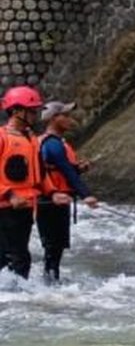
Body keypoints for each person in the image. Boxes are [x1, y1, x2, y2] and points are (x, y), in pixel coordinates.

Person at [0, 86, 71, 279]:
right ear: (16, 111)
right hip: (5, 208)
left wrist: (53, 193)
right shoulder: (2, 137)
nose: (35, 115)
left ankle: (14, 291)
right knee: (15, 259)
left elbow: (39, 173)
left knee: (17, 257)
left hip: (24, 208)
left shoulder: (31, 139)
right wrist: (10, 195)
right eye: (31, 111)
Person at [36, 101, 99, 282]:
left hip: (54, 199)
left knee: (54, 247)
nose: (70, 120)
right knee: (54, 246)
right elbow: (66, 172)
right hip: (52, 200)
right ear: (54, 119)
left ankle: (50, 281)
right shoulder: (53, 144)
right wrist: (86, 195)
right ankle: (50, 282)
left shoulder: (53, 142)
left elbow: (64, 170)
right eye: (65, 116)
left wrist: (78, 169)